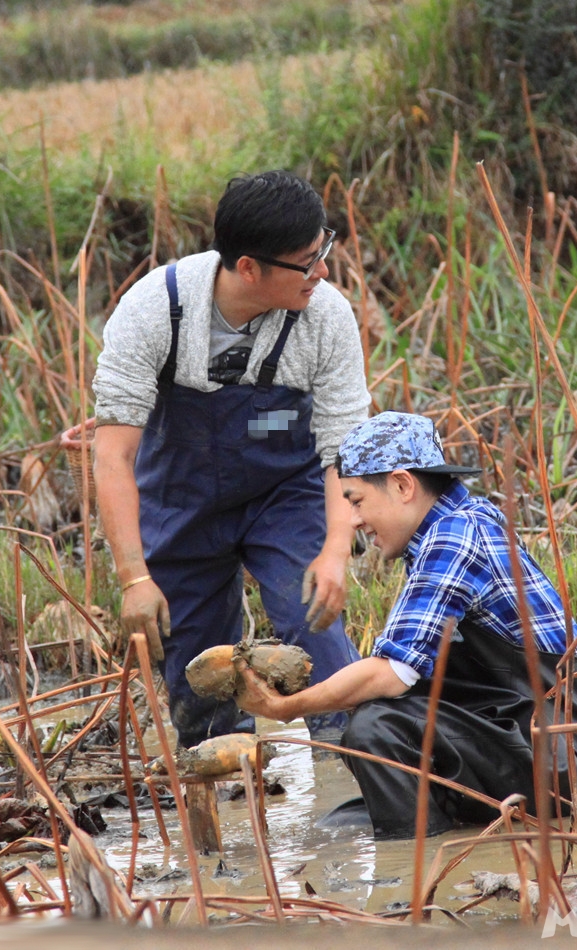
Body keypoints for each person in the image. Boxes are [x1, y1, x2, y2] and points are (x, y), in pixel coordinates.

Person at [235, 411, 577, 839]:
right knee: (343, 822)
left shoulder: (453, 537)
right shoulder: (458, 523)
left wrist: (285, 709)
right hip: (535, 738)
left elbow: (391, 674)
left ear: (403, 486)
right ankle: (428, 838)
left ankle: (407, 868)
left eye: (356, 500)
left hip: (572, 760)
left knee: (375, 727)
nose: (352, 521)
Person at [92, 170, 370, 748]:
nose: (323, 272)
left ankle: (351, 761)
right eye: (307, 261)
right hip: (180, 499)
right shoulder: (153, 310)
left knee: (313, 632)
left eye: (326, 249)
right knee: (199, 679)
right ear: (249, 267)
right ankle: (228, 792)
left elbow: (342, 448)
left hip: (285, 495)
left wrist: (336, 550)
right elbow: (113, 456)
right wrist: (134, 578)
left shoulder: (326, 317)